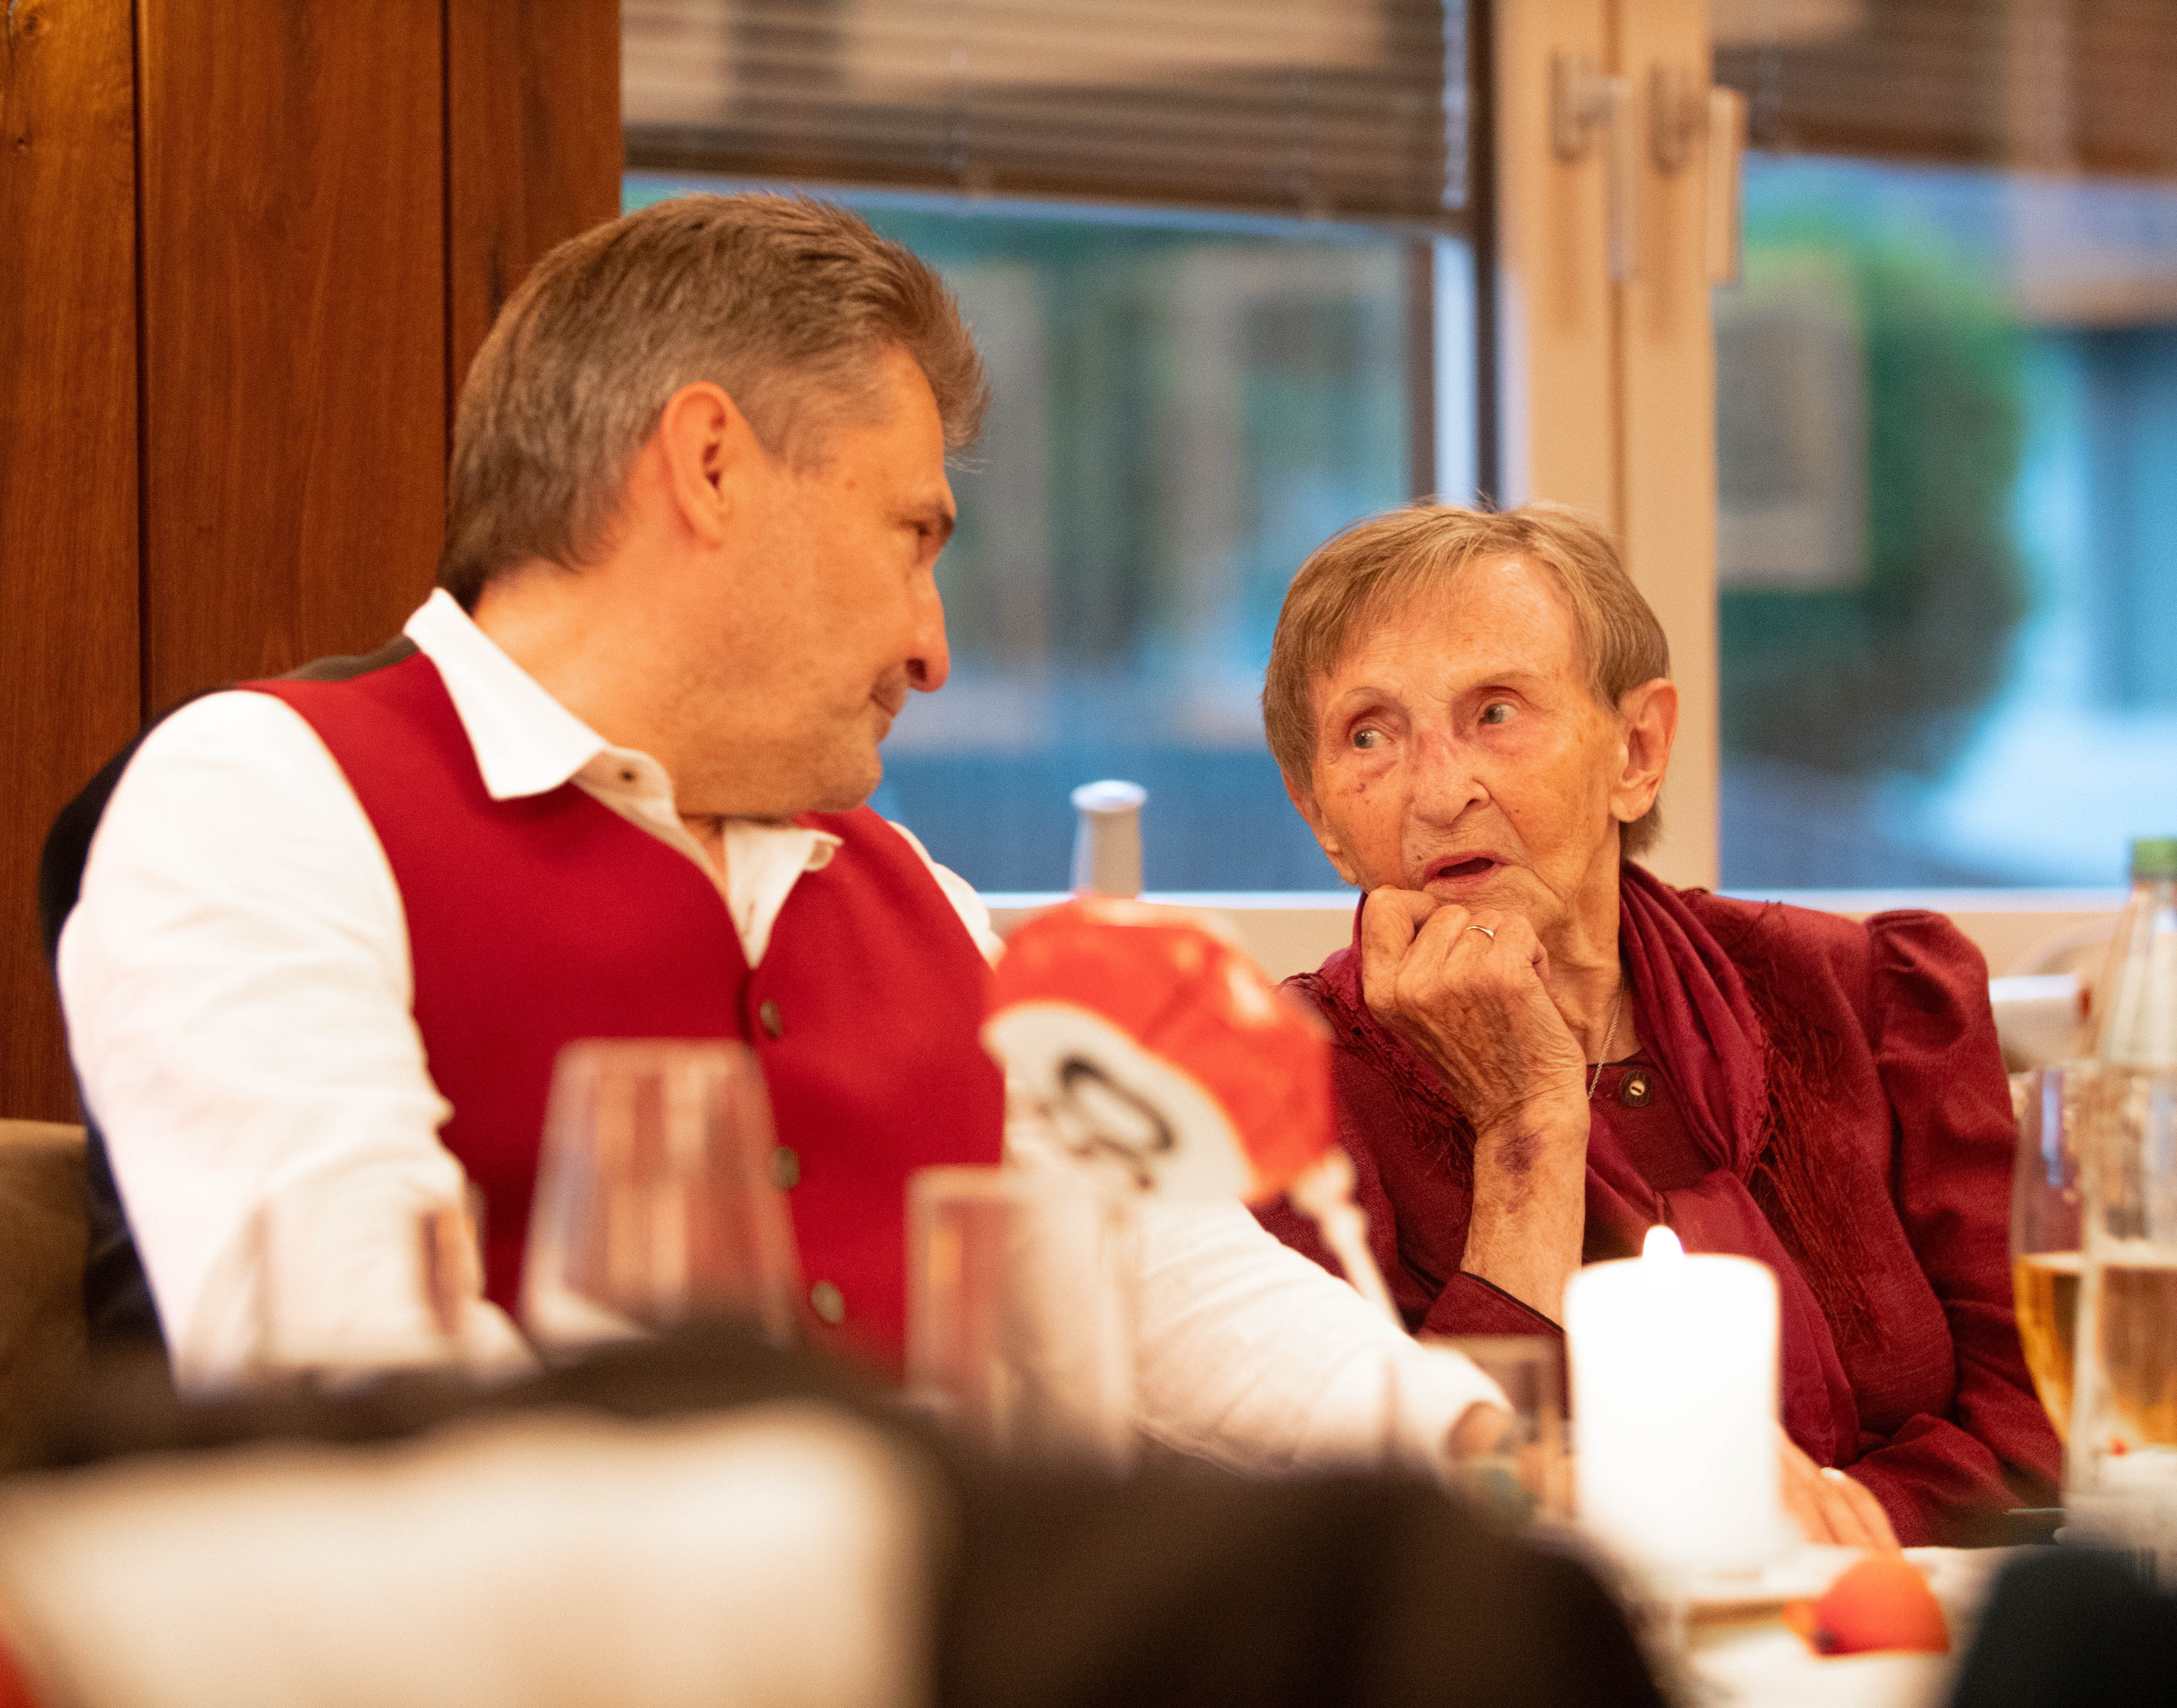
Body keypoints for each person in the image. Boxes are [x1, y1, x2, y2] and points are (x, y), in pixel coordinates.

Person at [44, 194, 1500, 1466]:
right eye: (913, 537)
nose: (934, 648)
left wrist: (1496, 1456)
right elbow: (355, 1380)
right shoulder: (261, 797)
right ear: (710, 465)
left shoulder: (916, 895)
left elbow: (1168, 1278)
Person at [1253, 501, 2062, 1546]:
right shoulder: (1280, 1093)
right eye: (1370, 735)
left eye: (1495, 712)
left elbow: (2040, 1420)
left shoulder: (1870, 1000)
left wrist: (1832, 1529)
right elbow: (1390, 1536)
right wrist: (1526, 1130)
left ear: (1636, 751)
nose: (1441, 793)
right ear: (1319, 814)